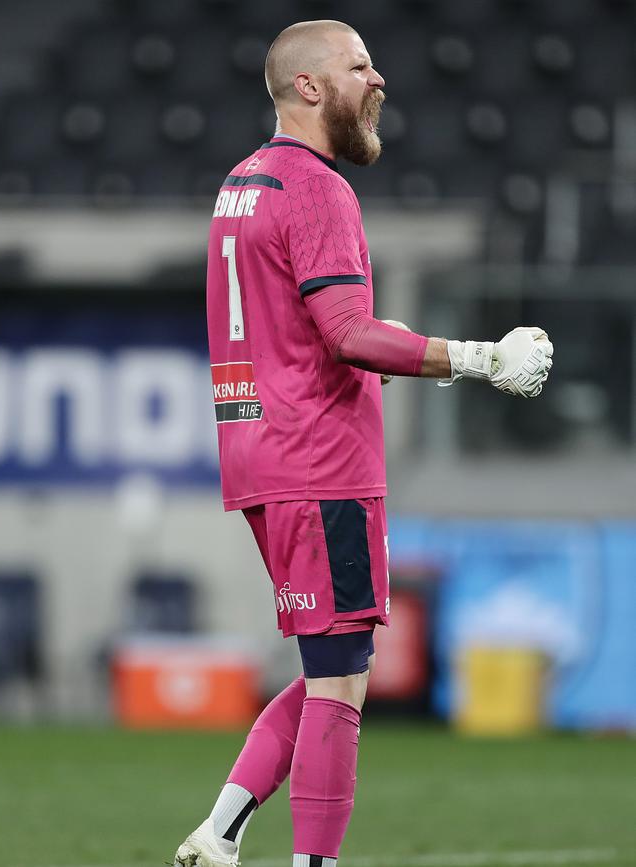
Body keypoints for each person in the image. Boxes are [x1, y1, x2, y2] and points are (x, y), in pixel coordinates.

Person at [174, 19, 553, 867]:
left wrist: (374, 350)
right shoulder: (316, 187)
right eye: (358, 66)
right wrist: (479, 357)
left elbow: (300, 333)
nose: (378, 79)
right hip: (323, 464)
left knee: (329, 665)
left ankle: (221, 831)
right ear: (309, 87)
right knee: (342, 683)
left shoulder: (243, 182)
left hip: (261, 456)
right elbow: (345, 333)